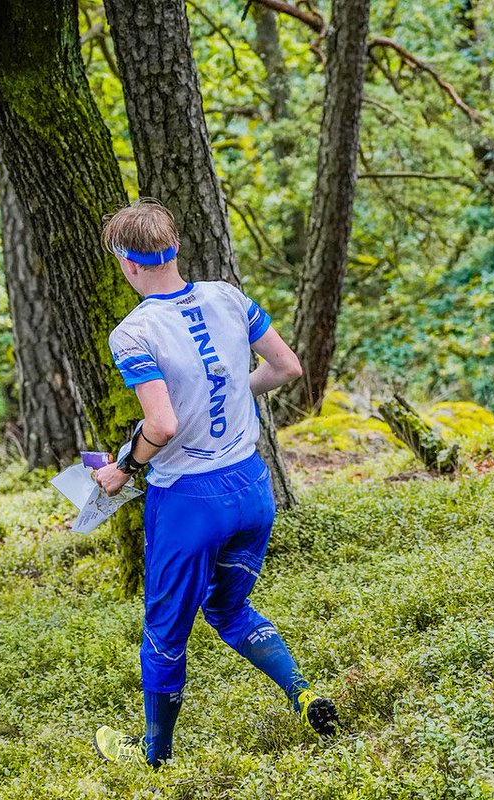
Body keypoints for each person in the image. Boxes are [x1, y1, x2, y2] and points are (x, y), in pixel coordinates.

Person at [90, 199, 338, 768]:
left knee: (164, 634)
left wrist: (123, 467)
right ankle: (303, 696)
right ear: (174, 247)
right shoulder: (228, 296)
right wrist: (224, 397)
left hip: (190, 502)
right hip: (252, 486)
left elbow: (162, 425)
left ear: (127, 265)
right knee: (229, 607)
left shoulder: (134, 333)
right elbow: (287, 368)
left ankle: (154, 757)